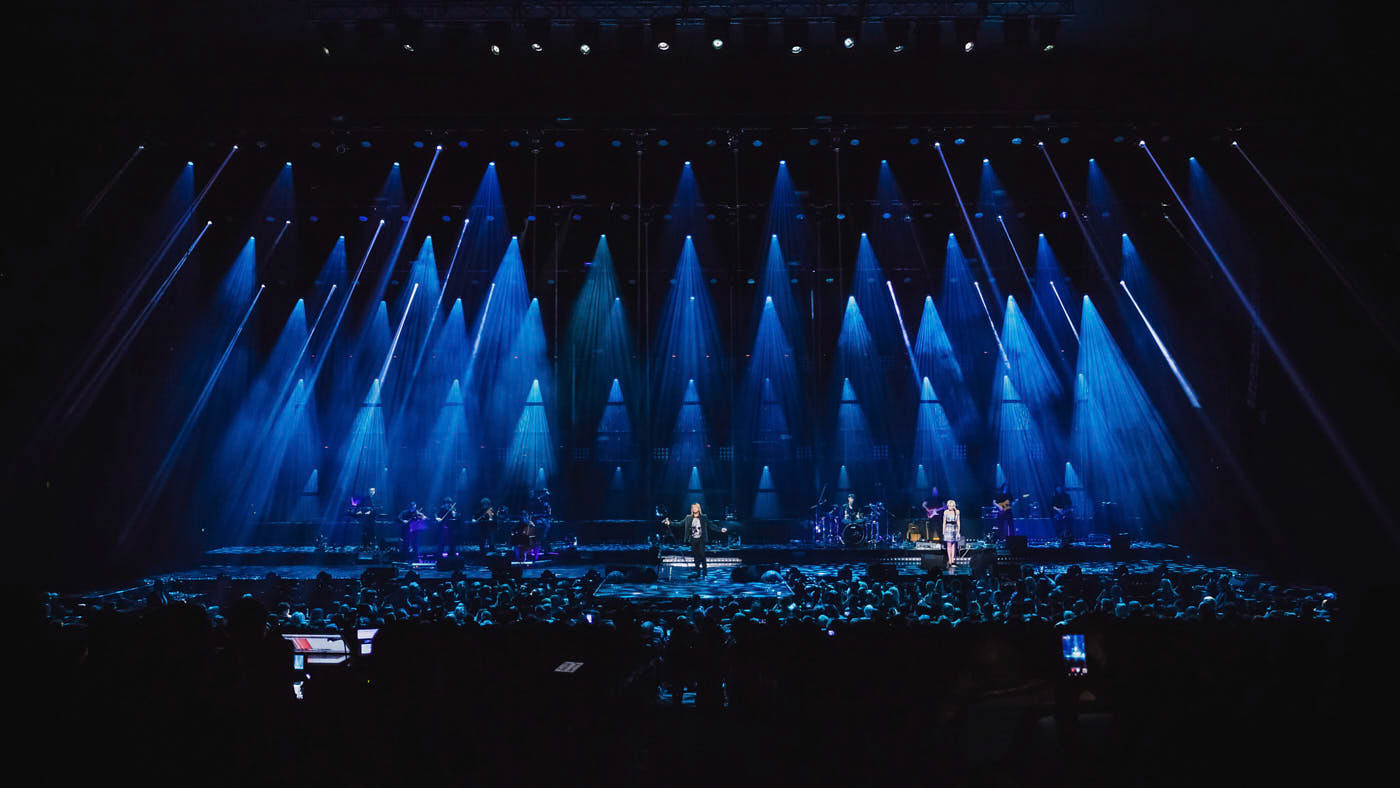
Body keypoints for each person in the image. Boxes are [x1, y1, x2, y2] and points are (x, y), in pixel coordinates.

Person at [679, 502, 719, 579]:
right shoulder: (688, 517)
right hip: (693, 539)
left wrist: (720, 529)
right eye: (693, 507)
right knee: (695, 556)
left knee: (702, 555)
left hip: (701, 539)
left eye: (695, 507)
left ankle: (704, 571)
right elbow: (680, 523)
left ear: (698, 508)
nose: (694, 509)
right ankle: (697, 572)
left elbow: (711, 525)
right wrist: (669, 523)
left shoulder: (704, 517)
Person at [942, 500, 962, 572]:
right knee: (949, 544)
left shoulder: (957, 512)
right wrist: (943, 531)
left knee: (954, 545)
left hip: (954, 528)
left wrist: (958, 531)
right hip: (948, 528)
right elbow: (944, 522)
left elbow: (958, 522)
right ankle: (950, 560)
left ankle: (953, 560)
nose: (949, 507)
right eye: (948, 506)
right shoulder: (946, 512)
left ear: (954, 506)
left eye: (951, 506)